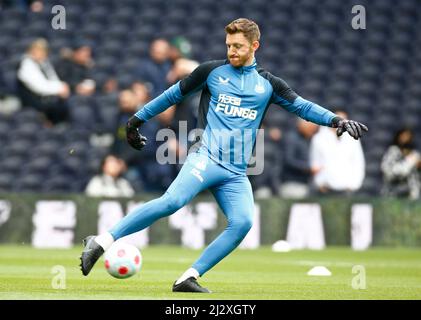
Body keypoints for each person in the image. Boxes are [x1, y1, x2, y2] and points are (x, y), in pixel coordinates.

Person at [80, 18, 368, 293]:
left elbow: (303, 107)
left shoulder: (268, 85)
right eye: (228, 45)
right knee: (173, 201)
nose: (231, 51)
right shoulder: (211, 72)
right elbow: (172, 95)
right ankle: (102, 240)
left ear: (255, 46)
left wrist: (336, 120)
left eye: (238, 46)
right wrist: (135, 120)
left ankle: (188, 277)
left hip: (235, 172)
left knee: (242, 222)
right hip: (206, 158)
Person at [310, 109, 366, 195]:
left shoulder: (352, 138)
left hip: (347, 188)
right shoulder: (319, 138)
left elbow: (358, 161)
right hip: (326, 188)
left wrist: (355, 184)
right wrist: (320, 183)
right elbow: (315, 162)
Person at [17, 38, 70, 124]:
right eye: (39, 51)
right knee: (58, 108)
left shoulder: (44, 63)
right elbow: (40, 87)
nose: (42, 53)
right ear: (31, 51)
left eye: (43, 51)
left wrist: (62, 86)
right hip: (33, 102)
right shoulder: (26, 65)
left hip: (48, 99)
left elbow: (54, 79)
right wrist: (60, 89)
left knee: (67, 105)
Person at [280, 118, 319, 198]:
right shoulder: (291, 138)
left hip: (306, 183)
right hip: (292, 184)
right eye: (311, 128)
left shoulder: (308, 139)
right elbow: (288, 160)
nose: (312, 132)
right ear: (303, 125)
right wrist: (308, 168)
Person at [381, 128, 421, 199]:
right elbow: (387, 171)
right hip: (393, 195)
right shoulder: (392, 152)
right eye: (403, 136)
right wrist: (410, 161)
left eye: (408, 137)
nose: (406, 139)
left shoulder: (415, 154)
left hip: (412, 197)